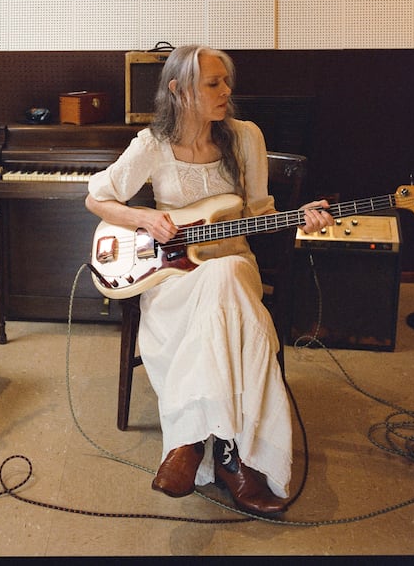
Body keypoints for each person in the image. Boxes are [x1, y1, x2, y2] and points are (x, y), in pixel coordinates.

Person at [85, 44, 334, 515]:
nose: (227, 91)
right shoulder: (152, 145)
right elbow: (97, 199)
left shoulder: (246, 138)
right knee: (224, 307)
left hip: (235, 265)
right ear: (180, 91)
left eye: (226, 81)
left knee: (225, 279)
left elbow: (261, 212)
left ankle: (189, 442)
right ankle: (232, 458)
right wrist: (142, 218)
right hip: (174, 277)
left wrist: (301, 218)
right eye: (213, 83)